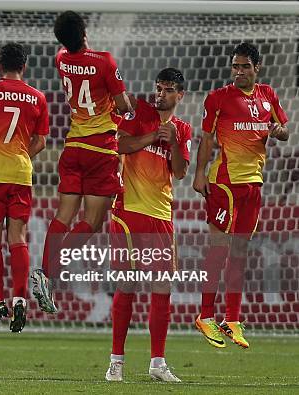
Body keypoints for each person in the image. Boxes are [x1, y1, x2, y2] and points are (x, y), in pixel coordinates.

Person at [32, 11, 133, 314]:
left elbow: (69, 54)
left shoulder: (60, 59)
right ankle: (51, 266)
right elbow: (122, 104)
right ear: (85, 31)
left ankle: (44, 274)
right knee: (91, 222)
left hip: (73, 146)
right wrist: (128, 106)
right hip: (101, 148)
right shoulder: (105, 61)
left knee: (63, 215)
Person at [193, 42, 289, 349]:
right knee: (219, 248)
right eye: (235, 66)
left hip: (253, 184)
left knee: (239, 253)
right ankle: (205, 315)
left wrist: (277, 130)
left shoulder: (268, 96)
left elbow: (284, 130)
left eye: (244, 66)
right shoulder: (219, 98)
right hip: (224, 182)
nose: (239, 71)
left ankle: (231, 319)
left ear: (256, 68)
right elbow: (207, 139)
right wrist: (198, 173)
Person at [105, 68, 191, 382]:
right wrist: (153, 136)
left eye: (169, 90)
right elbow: (121, 145)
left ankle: (157, 363)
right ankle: (116, 362)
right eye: (159, 88)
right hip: (128, 211)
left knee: (162, 287)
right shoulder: (139, 112)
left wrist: (176, 144)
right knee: (126, 284)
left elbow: (180, 172)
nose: (161, 94)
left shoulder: (183, 128)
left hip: (161, 216)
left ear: (180, 95)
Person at [0, 43, 48, 333]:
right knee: (18, 237)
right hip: (20, 173)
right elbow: (40, 141)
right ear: (24, 67)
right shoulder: (38, 97)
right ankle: (19, 299)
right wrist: (21, 156)